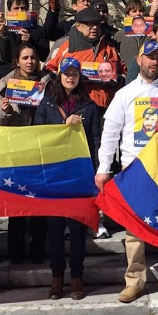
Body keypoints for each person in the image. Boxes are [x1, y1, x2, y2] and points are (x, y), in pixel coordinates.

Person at [94, 40, 158, 303]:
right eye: (150, 57)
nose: (154, 62)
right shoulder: (125, 94)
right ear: (139, 60)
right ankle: (134, 281)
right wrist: (104, 168)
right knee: (134, 230)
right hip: (135, 170)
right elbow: (110, 133)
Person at [33, 57, 101, 300]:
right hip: (54, 175)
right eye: (66, 73)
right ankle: (57, 277)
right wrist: (64, 124)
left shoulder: (89, 106)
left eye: (74, 73)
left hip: (79, 176)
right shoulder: (48, 104)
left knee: (77, 229)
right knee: (55, 229)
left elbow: (96, 142)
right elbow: (37, 136)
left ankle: (76, 277)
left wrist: (97, 173)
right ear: (59, 76)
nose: (70, 77)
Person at [0, 44, 52, 264]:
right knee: (17, 202)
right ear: (17, 61)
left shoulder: (48, 81)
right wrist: (6, 112)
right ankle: (15, 252)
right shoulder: (5, 85)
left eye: (33, 58)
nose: (30, 61)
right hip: (15, 150)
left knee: (39, 203)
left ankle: (37, 250)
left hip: (40, 148)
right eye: (25, 58)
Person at [45, 7, 123, 110]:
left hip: (105, 108)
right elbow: (48, 70)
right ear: (78, 26)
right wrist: (72, 77)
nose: (94, 27)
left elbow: (123, 74)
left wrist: (111, 80)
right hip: (74, 107)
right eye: (89, 24)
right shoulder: (65, 47)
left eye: (97, 24)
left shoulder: (110, 48)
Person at [0, 0, 51, 68]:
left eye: (23, 8)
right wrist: (3, 35)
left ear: (27, 10)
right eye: (16, 8)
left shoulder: (39, 31)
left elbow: (45, 56)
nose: (20, 11)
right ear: (9, 11)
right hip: (7, 75)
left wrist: (30, 41)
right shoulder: (0, 32)